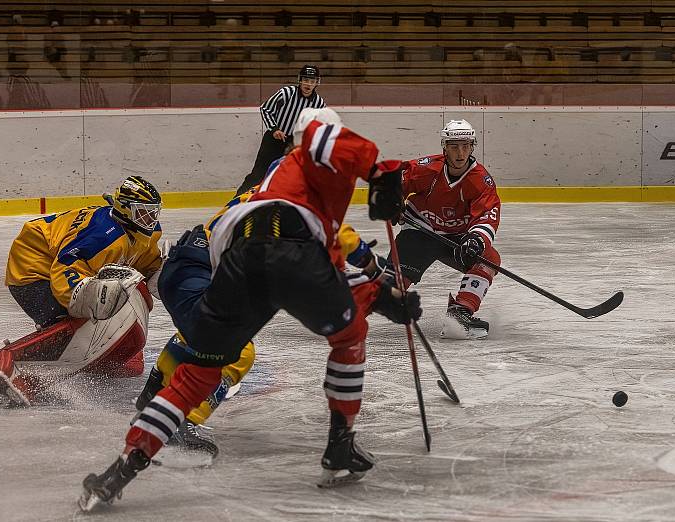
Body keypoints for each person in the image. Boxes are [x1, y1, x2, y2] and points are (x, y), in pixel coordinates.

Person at [78, 109, 422, 511]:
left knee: (196, 375)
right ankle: (339, 446)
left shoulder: (282, 189)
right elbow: (320, 141)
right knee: (349, 338)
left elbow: (315, 270)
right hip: (279, 251)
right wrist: (382, 172)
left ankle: (117, 473)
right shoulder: (307, 153)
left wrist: (381, 297)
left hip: (238, 261)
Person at [0, 176, 165, 405]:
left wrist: (171, 276)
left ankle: (101, 355)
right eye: (144, 212)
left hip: (53, 264)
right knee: (75, 320)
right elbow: (65, 271)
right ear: (125, 210)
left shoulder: (142, 231)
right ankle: (8, 367)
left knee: (122, 291)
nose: (150, 219)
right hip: (32, 272)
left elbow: (146, 264)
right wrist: (83, 299)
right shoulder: (103, 237)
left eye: (154, 212)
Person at [390, 119, 502, 340]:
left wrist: (476, 239)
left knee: (488, 258)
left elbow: (487, 214)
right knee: (390, 289)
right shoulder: (426, 168)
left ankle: (460, 313)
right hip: (420, 231)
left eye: (465, 146)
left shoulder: (481, 180)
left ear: (472, 146)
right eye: (454, 147)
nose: (460, 153)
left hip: (456, 240)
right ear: (445, 148)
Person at [235, 64, 326, 196]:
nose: (308, 84)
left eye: (312, 81)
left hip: (294, 145)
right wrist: (274, 129)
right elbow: (266, 109)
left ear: (317, 83)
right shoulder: (286, 93)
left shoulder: (319, 103)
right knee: (259, 174)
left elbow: (318, 124)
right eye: (306, 80)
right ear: (300, 80)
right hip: (274, 140)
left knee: (290, 178)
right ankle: (236, 203)